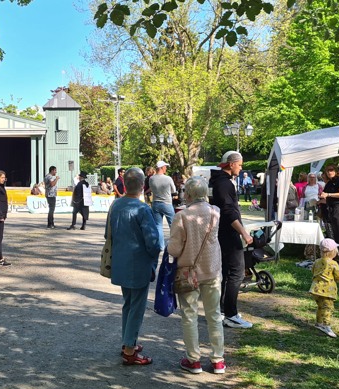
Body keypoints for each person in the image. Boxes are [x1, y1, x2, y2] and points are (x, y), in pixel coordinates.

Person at [168, 176, 225, 374]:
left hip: (188, 271)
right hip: (212, 268)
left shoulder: (182, 216)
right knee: (214, 314)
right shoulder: (215, 212)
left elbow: (174, 250)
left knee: (189, 315)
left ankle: (194, 360)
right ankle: (218, 359)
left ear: (189, 194)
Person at [107, 168, 160, 365]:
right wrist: (155, 255)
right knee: (136, 306)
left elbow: (108, 235)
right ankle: (129, 348)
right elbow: (153, 242)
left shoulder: (116, 205)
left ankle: (127, 341)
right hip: (138, 262)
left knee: (128, 304)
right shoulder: (142, 209)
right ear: (142, 185)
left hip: (120, 260)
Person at [210, 151, 254, 329]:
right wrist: (243, 232)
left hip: (223, 232)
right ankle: (230, 314)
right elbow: (228, 212)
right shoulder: (224, 183)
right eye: (240, 164)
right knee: (236, 272)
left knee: (227, 273)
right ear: (231, 164)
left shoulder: (219, 181)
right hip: (228, 233)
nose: (241, 168)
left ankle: (222, 310)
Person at [309, 238, 339, 338]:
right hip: (327, 291)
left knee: (320, 306)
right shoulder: (334, 264)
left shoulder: (317, 261)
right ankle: (326, 325)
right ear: (332, 252)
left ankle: (318, 323)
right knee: (328, 308)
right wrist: (338, 279)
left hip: (315, 289)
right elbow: (338, 277)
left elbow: (313, 271)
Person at [319, 164, 339, 263]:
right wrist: (319, 201)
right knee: (336, 232)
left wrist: (328, 194)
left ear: (336, 171)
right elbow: (325, 197)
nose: (329, 172)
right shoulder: (329, 183)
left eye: (331, 170)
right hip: (331, 209)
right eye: (327, 170)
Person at [149, 161, 177, 249]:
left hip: (156, 202)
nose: (166, 168)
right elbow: (173, 190)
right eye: (165, 167)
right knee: (173, 225)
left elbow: (151, 189)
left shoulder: (151, 179)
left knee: (158, 225)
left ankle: (161, 246)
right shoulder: (168, 178)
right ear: (161, 168)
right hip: (167, 203)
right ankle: (175, 245)